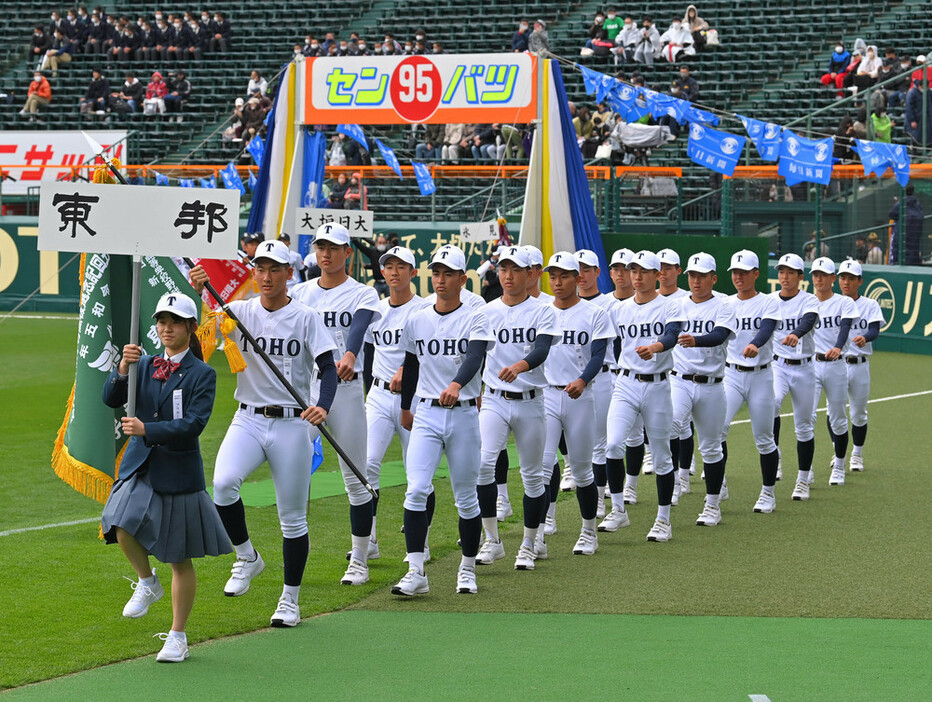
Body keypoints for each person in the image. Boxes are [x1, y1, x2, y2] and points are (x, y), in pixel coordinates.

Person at [196, 240, 337, 627]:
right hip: (249, 418)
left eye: (275, 268)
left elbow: (327, 366)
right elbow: (200, 340)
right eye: (260, 268)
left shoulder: (306, 316)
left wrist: (322, 404)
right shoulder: (237, 312)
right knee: (223, 485)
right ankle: (247, 557)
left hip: (294, 423)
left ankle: (290, 599)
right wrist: (200, 293)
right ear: (253, 272)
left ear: (289, 273)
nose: (266, 276)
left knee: (292, 519)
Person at [100, 293, 231, 663]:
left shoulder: (202, 373)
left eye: (175, 321)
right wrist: (123, 369)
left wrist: (148, 429)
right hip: (140, 465)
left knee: (178, 557)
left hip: (178, 471)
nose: (166, 328)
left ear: (191, 327)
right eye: (161, 321)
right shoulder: (143, 364)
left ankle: (177, 635)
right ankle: (146, 581)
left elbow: (194, 425)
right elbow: (111, 397)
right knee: (118, 524)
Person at [392, 245, 493, 596]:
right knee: (417, 488)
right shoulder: (417, 317)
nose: (440, 279)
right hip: (427, 413)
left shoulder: (476, 314)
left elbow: (475, 356)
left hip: (464, 412)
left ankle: (467, 569)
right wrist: (406, 407)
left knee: (466, 497)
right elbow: (412, 363)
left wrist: (456, 384)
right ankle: (416, 570)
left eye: (448, 273)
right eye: (436, 273)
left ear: (463, 279)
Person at [292, 225, 382, 585]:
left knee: (356, 477)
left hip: (344, 390)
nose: (326, 254)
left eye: (334, 248)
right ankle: (294, 556)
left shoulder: (363, 293)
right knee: (293, 474)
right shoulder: (299, 293)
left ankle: (360, 557)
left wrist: (349, 353)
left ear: (348, 253)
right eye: (321, 247)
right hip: (303, 391)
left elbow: (358, 329)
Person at [475, 246, 557, 570]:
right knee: (483, 466)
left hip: (531, 400)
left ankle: (529, 542)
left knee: (533, 477)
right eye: (503, 269)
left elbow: (542, 350)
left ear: (528, 274)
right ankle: (493, 541)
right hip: (494, 397)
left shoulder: (543, 310)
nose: (508, 276)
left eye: (515, 270)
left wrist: (520, 366)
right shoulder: (486, 311)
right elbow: (476, 354)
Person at [601, 251, 681, 541]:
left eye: (643, 271)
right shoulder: (619, 310)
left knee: (661, 455)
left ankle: (663, 519)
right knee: (612, 445)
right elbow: (613, 344)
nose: (636, 275)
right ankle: (619, 510)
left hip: (658, 385)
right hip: (625, 383)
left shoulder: (669, 306)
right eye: (632, 270)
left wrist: (657, 347)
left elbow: (672, 336)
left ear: (657, 274)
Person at [361, 247, 433, 566]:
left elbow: (430, 354)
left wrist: (408, 369)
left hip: (415, 397)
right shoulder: (375, 310)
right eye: (389, 266)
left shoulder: (425, 310)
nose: (394, 272)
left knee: (417, 472)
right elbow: (366, 356)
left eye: (401, 267)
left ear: (413, 273)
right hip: (377, 394)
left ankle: (423, 542)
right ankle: (369, 539)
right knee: (366, 465)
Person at [539, 252, 614, 553]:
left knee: (583, 470)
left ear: (576, 278)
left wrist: (583, 380)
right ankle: (539, 532)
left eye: (564, 276)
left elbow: (598, 354)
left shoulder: (594, 313)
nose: (557, 282)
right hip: (546, 394)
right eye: (553, 276)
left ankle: (588, 531)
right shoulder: (542, 311)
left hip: (581, 396)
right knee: (542, 466)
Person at [669, 253, 735, 527]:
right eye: (692, 275)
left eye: (702, 275)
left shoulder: (724, 305)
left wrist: (695, 340)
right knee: (671, 424)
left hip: (711, 384)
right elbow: (669, 333)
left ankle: (712, 504)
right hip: (679, 380)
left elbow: (720, 335)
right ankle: (675, 479)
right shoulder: (676, 304)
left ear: (713, 278)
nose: (696, 280)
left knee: (711, 447)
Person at [719, 250, 780, 513]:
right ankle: (717, 482)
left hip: (761, 375)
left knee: (764, 438)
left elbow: (766, 328)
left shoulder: (769, 302)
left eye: (743, 272)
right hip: (730, 374)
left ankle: (768, 493)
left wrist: (755, 344)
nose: (738, 277)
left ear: (756, 274)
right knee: (717, 430)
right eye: (735, 272)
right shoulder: (725, 303)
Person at [770, 253, 819, 496]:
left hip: (805, 368)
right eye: (781, 272)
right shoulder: (769, 300)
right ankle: (775, 455)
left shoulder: (809, 300)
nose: (785, 277)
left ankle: (802, 478)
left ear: (800, 276)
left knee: (804, 426)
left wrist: (796, 334)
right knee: (773, 405)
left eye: (790, 272)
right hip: (778, 365)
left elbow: (808, 322)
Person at [809, 257, 859, 487]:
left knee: (837, 417)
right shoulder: (806, 302)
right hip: (810, 365)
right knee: (806, 418)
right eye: (815, 275)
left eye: (824, 275)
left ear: (832, 278)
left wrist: (839, 347)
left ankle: (839, 463)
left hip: (835, 365)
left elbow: (846, 328)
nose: (819, 279)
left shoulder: (844, 303)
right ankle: (805, 468)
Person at [837, 259, 884, 473]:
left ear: (860, 281)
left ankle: (857, 453)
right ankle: (839, 453)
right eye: (843, 278)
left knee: (858, 413)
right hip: (836, 364)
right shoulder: (832, 303)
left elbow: (875, 330)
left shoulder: (869, 305)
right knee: (834, 412)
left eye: (851, 278)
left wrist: (865, 337)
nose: (846, 282)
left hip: (859, 365)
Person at [888, 185, 924, 265]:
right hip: (915, 236)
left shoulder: (901, 203)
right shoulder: (917, 204)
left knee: (900, 253)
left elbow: (891, 214)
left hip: (902, 235)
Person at [352, 234, 390, 298]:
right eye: (380, 243)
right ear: (376, 243)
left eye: (383, 243)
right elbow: (362, 247)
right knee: (374, 300)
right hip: (377, 283)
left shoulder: (389, 253)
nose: (381, 245)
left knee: (391, 302)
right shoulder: (373, 252)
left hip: (388, 283)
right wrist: (354, 239)